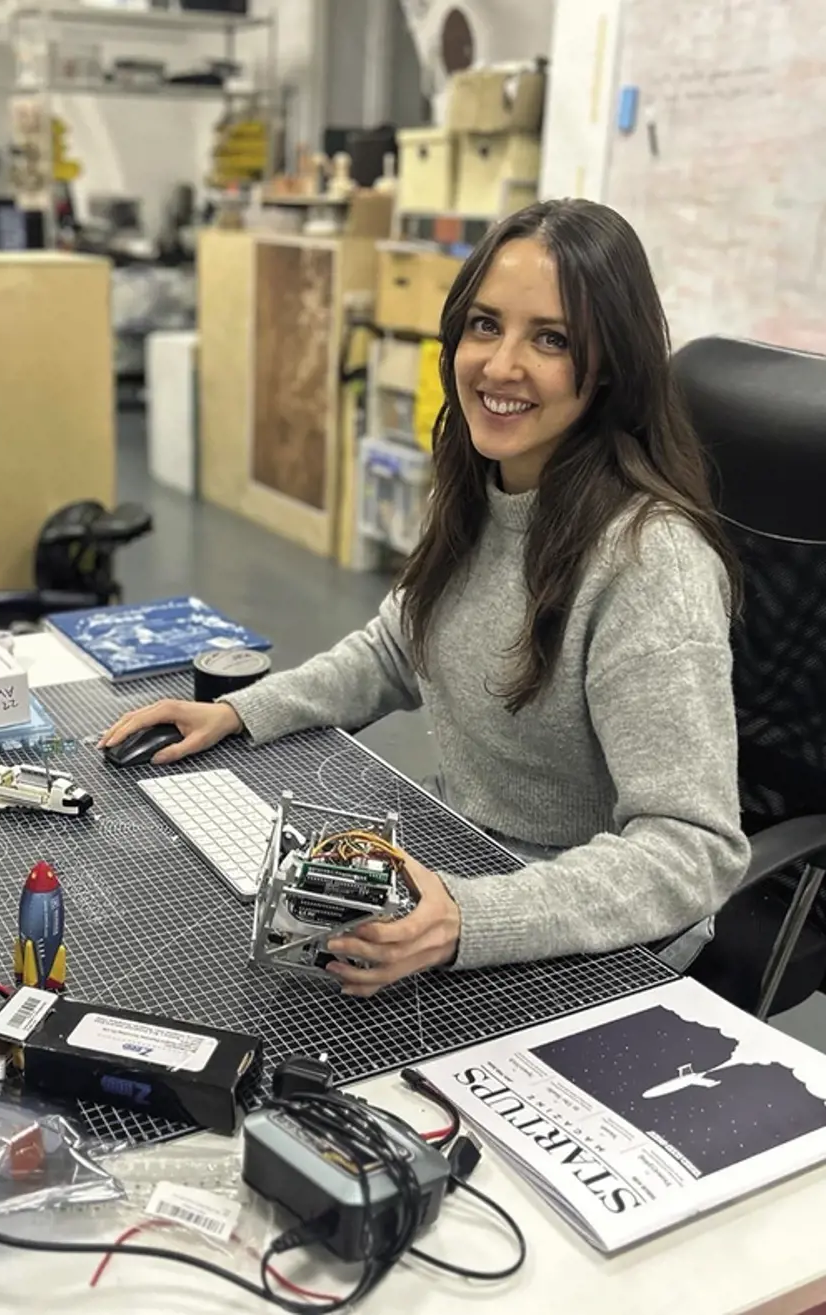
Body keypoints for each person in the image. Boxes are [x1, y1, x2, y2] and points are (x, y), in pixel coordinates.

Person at [100, 198, 751, 998]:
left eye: (551, 339)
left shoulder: (651, 562)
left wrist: (467, 919)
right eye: (484, 325)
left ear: (609, 366)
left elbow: (692, 850)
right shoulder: (486, 490)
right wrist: (242, 711)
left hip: (593, 935)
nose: (499, 365)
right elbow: (396, 645)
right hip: (468, 866)